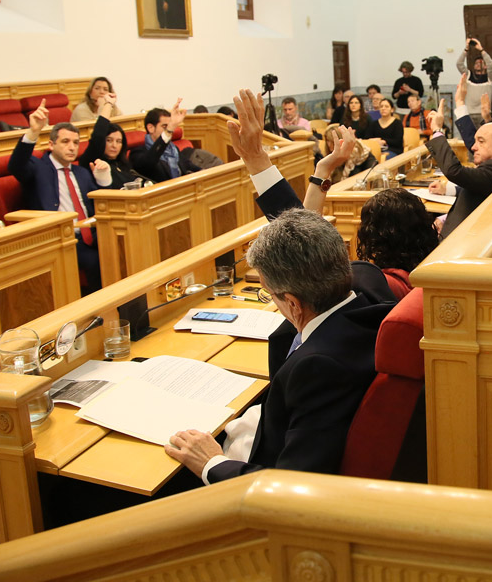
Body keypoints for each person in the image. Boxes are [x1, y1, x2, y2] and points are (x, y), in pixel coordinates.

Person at [165, 207, 394, 484]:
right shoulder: (369, 293)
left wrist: (211, 463)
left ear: (294, 303)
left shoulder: (318, 368)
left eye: (268, 293)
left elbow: (293, 483)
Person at [229, 89, 433, 299]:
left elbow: (302, 247)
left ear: (373, 238)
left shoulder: (370, 284)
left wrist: (256, 160)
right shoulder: (417, 277)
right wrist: (323, 170)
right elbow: (304, 228)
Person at [9, 99, 111, 291]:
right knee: (98, 260)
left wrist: (103, 180)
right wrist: (33, 132)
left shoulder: (81, 172)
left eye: (75, 143)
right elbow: (16, 166)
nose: (72, 147)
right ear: (50, 145)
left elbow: (100, 204)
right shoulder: (38, 168)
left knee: (127, 248)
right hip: (62, 240)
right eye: (65, 142)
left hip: (94, 234)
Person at [425, 99, 492, 239]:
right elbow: (476, 196)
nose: (474, 147)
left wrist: (438, 130)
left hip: (461, 243)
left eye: (481, 141)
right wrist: (444, 219)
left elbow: (454, 171)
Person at [79, 94, 146, 189]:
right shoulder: (94, 160)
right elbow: (98, 135)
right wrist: (108, 104)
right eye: (109, 140)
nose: (114, 145)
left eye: (119, 141)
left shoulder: (123, 164)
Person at [130, 100, 187, 182]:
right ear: (151, 128)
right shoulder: (137, 153)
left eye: (170, 126)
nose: (169, 130)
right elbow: (150, 161)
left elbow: (188, 166)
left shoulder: (173, 149)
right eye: (165, 126)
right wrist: (169, 130)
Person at [456, 39, 492, 126]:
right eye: (476, 63)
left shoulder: (490, 78)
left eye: (481, 63)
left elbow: (491, 64)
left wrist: (481, 50)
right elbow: (459, 64)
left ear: (485, 66)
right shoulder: (468, 76)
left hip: (484, 114)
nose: (478, 64)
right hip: (469, 113)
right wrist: (466, 49)